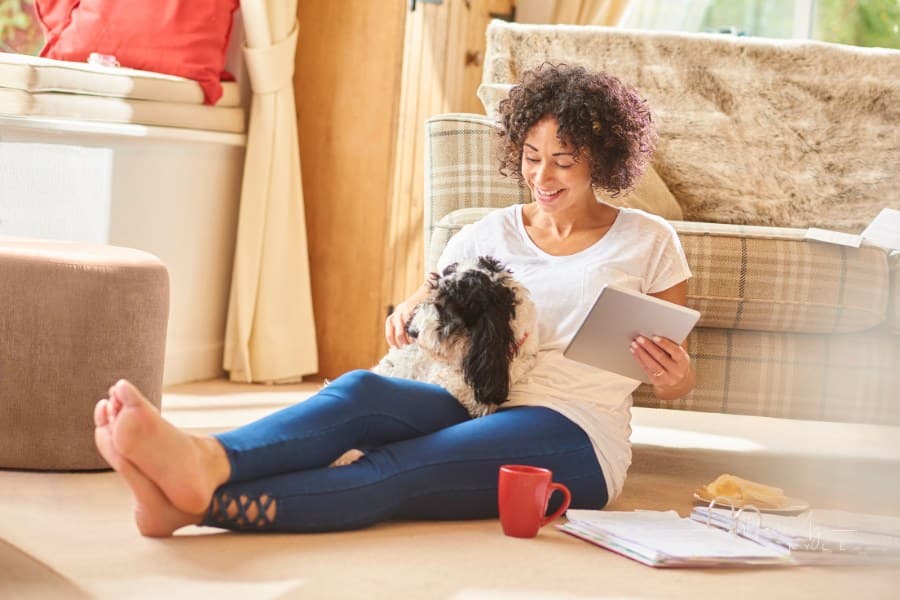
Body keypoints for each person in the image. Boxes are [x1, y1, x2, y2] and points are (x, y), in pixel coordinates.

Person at [93, 63, 695, 537]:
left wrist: (674, 377)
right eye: (532, 159)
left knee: (399, 469)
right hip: (474, 399)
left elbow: (672, 376)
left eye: (564, 162)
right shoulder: (483, 233)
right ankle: (203, 461)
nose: (543, 177)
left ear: (604, 159)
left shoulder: (648, 241)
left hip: (573, 429)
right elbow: (429, 305)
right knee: (358, 392)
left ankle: (203, 505)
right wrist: (408, 310)